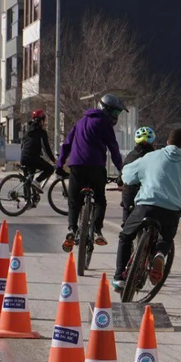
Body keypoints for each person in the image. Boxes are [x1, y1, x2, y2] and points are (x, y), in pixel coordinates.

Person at [115, 128, 181, 290]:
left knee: (126, 236)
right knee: (165, 239)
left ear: (167, 142)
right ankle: (159, 254)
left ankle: (119, 278)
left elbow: (128, 175)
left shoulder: (151, 157)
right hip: (171, 211)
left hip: (146, 206)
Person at [56, 94, 127, 251]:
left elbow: (66, 144)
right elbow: (113, 148)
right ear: (106, 109)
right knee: (100, 200)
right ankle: (96, 231)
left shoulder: (80, 122)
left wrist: (59, 165)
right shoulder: (104, 124)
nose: (115, 117)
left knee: (74, 201)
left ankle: (71, 230)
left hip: (76, 166)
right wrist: (122, 170)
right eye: (115, 113)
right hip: (96, 167)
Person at [120, 126, 157, 225]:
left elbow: (122, 174)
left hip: (130, 194)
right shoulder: (156, 156)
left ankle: (125, 230)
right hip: (150, 194)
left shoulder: (130, 156)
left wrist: (119, 181)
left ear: (136, 141)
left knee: (126, 208)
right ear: (153, 142)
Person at [20, 110, 56, 190]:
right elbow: (46, 148)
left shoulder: (28, 131)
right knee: (49, 169)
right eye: (44, 120)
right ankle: (37, 181)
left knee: (28, 180)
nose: (45, 122)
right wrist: (53, 160)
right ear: (41, 120)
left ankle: (28, 200)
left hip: (23, 157)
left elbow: (22, 145)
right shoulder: (41, 132)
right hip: (33, 158)